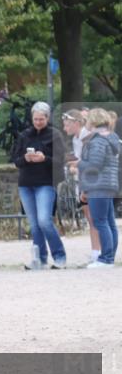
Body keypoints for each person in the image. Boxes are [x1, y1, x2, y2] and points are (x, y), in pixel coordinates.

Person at [11, 101, 68, 270]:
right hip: (26, 183)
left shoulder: (55, 135)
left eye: (41, 119)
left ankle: (59, 256)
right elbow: (16, 160)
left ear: (47, 118)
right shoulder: (25, 135)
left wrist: (45, 158)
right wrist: (25, 158)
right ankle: (40, 258)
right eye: (35, 119)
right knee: (34, 224)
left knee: (44, 221)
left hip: (45, 182)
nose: (38, 122)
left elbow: (60, 160)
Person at [77, 108, 120, 269]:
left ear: (93, 121)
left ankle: (106, 259)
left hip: (98, 184)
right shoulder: (111, 138)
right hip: (109, 183)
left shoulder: (97, 140)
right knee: (109, 222)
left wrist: (78, 164)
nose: (86, 122)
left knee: (100, 221)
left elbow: (94, 165)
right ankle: (109, 257)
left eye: (87, 119)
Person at [63, 109, 101, 262]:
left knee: (96, 218)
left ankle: (101, 253)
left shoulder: (88, 137)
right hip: (83, 180)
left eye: (67, 125)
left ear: (77, 123)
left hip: (92, 181)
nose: (65, 128)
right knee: (90, 218)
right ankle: (95, 252)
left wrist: (76, 166)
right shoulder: (75, 139)